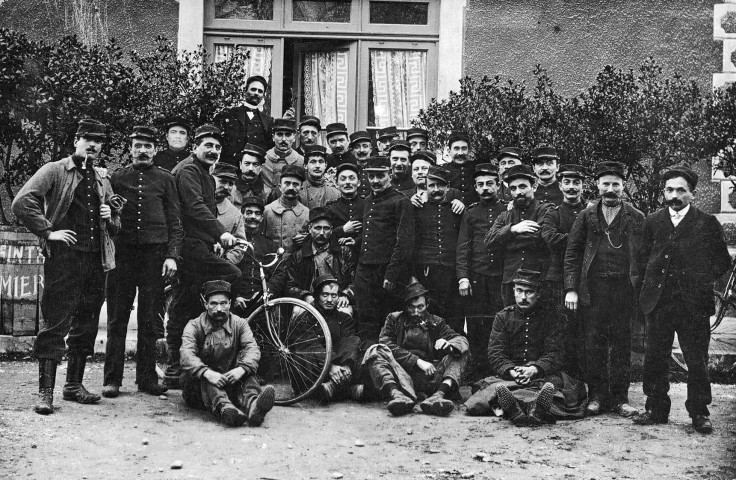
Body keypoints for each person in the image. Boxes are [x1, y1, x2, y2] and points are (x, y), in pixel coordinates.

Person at [12, 118, 121, 414]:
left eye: (98, 140)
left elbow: (116, 225)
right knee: (56, 323)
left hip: (96, 261)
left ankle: (73, 385)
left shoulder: (101, 178)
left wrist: (109, 214)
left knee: (86, 324)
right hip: (64, 261)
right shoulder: (55, 170)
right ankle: (45, 393)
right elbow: (22, 202)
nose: (93, 144)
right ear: (76, 139)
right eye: (87, 138)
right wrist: (48, 231)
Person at [633, 167, 731, 434]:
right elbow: (641, 259)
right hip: (658, 303)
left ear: (692, 193)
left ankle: (699, 412)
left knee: (696, 359)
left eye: (680, 190)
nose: (674, 196)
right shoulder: (653, 221)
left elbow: (722, 262)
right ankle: (655, 408)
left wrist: (697, 280)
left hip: (693, 305)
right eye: (669, 190)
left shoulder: (707, 222)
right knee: (655, 357)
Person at [103, 125, 183, 398]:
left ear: (155, 149)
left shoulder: (165, 179)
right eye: (138, 145)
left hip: (154, 257)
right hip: (122, 256)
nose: (143, 150)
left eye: (148, 146)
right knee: (117, 318)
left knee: (150, 319)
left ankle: (146, 379)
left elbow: (175, 221)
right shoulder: (117, 177)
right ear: (130, 147)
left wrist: (172, 255)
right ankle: (112, 379)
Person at [564, 161, 644, 418]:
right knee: (593, 342)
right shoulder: (586, 216)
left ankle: (620, 398)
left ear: (623, 186)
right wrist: (571, 289)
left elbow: (643, 256)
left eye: (616, 184)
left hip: (624, 289)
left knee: (622, 343)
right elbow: (572, 254)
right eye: (606, 184)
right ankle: (596, 395)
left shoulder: (636, 216)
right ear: (597, 185)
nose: (610, 189)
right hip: (593, 289)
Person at [166, 124, 242, 388]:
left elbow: (203, 213)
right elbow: (195, 208)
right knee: (227, 277)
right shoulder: (188, 170)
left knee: (190, 303)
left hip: (199, 245)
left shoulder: (206, 175)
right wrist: (221, 233)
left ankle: (189, 365)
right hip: (186, 247)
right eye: (208, 145)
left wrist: (214, 242)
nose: (213, 151)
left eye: (217, 148)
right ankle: (175, 368)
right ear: (195, 146)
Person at [465, 269, 587, 425]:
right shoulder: (502, 317)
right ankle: (535, 409)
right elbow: (496, 353)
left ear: (538, 294)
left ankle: (514, 409)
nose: (523, 297)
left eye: (529, 292)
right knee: (489, 390)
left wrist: (534, 369)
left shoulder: (551, 318)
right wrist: (512, 371)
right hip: (511, 377)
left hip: (542, 376)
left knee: (560, 390)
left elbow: (555, 353)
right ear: (513, 291)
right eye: (519, 291)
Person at [362, 282, 469, 416]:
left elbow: (461, 340)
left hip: (430, 376)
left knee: (461, 353)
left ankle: (438, 395)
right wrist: (417, 361)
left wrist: (449, 345)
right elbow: (386, 343)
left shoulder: (437, 322)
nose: (416, 312)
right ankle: (398, 396)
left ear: (427, 305)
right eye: (411, 307)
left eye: (420, 307)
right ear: (405, 306)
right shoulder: (394, 319)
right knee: (375, 350)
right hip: (402, 376)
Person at [180, 280, 276, 427]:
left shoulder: (240, 323)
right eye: (213, 304)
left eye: (223, 303)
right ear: (205, 304)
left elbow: (252, 348)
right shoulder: (194, 325)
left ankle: (254, 407)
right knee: (207, 379)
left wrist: (242, 369)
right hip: (197, 389)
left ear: (230, 303)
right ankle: (225, 409)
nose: (219, 308)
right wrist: (206, 372)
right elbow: (186, 355)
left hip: (230, 383)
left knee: (248, 373)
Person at [351, 156, 415, 344]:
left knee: (389, 324)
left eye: (380, 176)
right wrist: (355, 241)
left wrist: (391, 274)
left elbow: (404, 243)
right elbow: (374, 234)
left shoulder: (401, 201)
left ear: (390, 175)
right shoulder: (369, 200)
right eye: (371, 176)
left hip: (386, 273)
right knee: (366, 322)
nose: (376, 181)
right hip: (365, 272)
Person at [456, 163, 506, 377]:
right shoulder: (471, 212)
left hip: (501, 277)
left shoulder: (507, 209)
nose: (485, 188)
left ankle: (498, 368)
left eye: (489, 184)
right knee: (476, 326)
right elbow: (462, 247)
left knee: (499, 323)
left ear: (498, 185)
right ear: (475, 188)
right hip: (477, 276)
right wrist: (463, 278)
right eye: (480, 185)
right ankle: (479, 372)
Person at [539, 164, 587, 376]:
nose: (571, 187)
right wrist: (580, 240)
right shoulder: (554, 213)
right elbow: (550, 238)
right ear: (560, 185)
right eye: (567, 182)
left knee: (584, 330)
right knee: (559, 328)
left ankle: (580, 378)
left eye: (576, 183)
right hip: (558, 279)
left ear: (583, 186)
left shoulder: (591, 212)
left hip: (586, 279)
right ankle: (559, 378)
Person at [486, 164, 552, 306]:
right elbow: (489, 241)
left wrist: (506, 242)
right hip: (511, 281)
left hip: (538, 280)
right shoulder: (505, 216)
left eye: (522, 186)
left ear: (533, 187)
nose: (518, 192)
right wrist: (513, 229)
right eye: (513, 188)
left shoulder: (546, 210)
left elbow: (539, 238)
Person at [411, 166, 463, 330]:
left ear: (448, 187)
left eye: (440, 185)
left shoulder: (456, 209)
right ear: (425, 186)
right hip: (427, 271)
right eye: (431, 185)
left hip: (451, 272)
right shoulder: (417, 208)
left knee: (453, 316)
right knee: (429, 316)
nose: (436, 189)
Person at [282, 207, 355, 310]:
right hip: (310, 302)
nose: (321, 233)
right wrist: (305, 296)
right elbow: (289, 285)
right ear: (309, 229)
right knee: (298, 312)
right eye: (317, 228)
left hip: (336, 300)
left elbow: (355, 281)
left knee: (345, 311)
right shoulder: (299, 255)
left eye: (326, 228)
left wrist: (345, 295)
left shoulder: (344, 252)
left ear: (331, 230)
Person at [309, 274, 364, 401]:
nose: (329, 300)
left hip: (341, 367)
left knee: (356, 342)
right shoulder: (307, 317)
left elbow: (350, 341)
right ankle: (348, 389)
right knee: (306, 354)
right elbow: (311, 346)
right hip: (320, 365)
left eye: (334, 296)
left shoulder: (344, 319)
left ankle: (333, 387)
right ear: (317, 296)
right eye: (325, 295)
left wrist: (346, 366)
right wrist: (330, 365)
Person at [232, 196, 280, 317]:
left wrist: (266, 292)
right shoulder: (234, 242)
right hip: (236, 303)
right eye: (249, 213)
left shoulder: (270, 245)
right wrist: (234, 296)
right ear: (241, 214)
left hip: (262, 303)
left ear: (261, 218)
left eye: (257, 214)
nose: (253, 217)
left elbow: (279, 273)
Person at [215, 75, 274, 165]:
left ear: (263, 95)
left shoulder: (267, 121)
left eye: (260, 91)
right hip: (229, 168)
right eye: (253, 89)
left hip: (253, 170)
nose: (256, 93)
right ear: (245, 91)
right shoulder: (228, 114)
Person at [263, 164, 310, 252]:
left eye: (295, 184)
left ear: (301, 188)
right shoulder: (267, 211)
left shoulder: (307, 213)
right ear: (280, 186)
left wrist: (307, 239)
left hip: (297, 263)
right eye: (287, 183)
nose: (291, 188)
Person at [212, 162, 247, 264]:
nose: (227, 187)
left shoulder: (235, 214)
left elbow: (241, 245)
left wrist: (225, 261)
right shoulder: (195, 203)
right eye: (222, 181)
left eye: (231, 183)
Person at [325, 162, 365, 241]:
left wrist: (356, 241)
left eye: (351, 178)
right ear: (336, 184)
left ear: (359, 183)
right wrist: (342, 230)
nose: (347, 182)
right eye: (343, 179)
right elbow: (323, 234)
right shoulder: (330, 208)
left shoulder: (367, 205)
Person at [262, 118, 303, 191]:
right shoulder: (263, 160)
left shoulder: (301, 161)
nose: (284, 139)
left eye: (288, 135)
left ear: (294, 137)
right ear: (273, 137)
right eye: (280, 134)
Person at [301, 145, 341, 209]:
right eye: (313, 162)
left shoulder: (335, 194)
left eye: (321, 162)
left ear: (325, 165)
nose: (317, 166)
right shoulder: (299, 191)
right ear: (305, 166)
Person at [445, 131, 479, 205]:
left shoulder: (476, 169)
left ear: (469, 151)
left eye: (464, 148)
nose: (460, 153)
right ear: (449, 151)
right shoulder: (443, 170)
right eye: (456, 148)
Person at [233, 143, 271, 208]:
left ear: (261, 167)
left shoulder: (268, 192)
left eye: (255, 164)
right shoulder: (231, 189)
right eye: (247, 163)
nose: (250, 168)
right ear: (240, 165)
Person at [349, 130, 373, 198]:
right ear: (352, 151)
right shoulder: (350, 170)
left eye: (365, 146)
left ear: (370, 149)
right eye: (357, 147)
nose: (361, 150)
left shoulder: (376, 169)